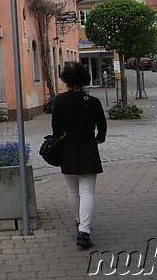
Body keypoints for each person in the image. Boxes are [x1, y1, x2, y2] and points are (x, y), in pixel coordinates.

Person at [52, 61, 107, 249]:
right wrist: (100, 137)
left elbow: (56, 130)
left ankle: (78, 221)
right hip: (88, 149)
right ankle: (84, 231)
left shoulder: (60, 100)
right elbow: (102, 127)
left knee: (72, 190)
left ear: (65, 80)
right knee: (87, 191)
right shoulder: (93, 102)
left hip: (67, 150)